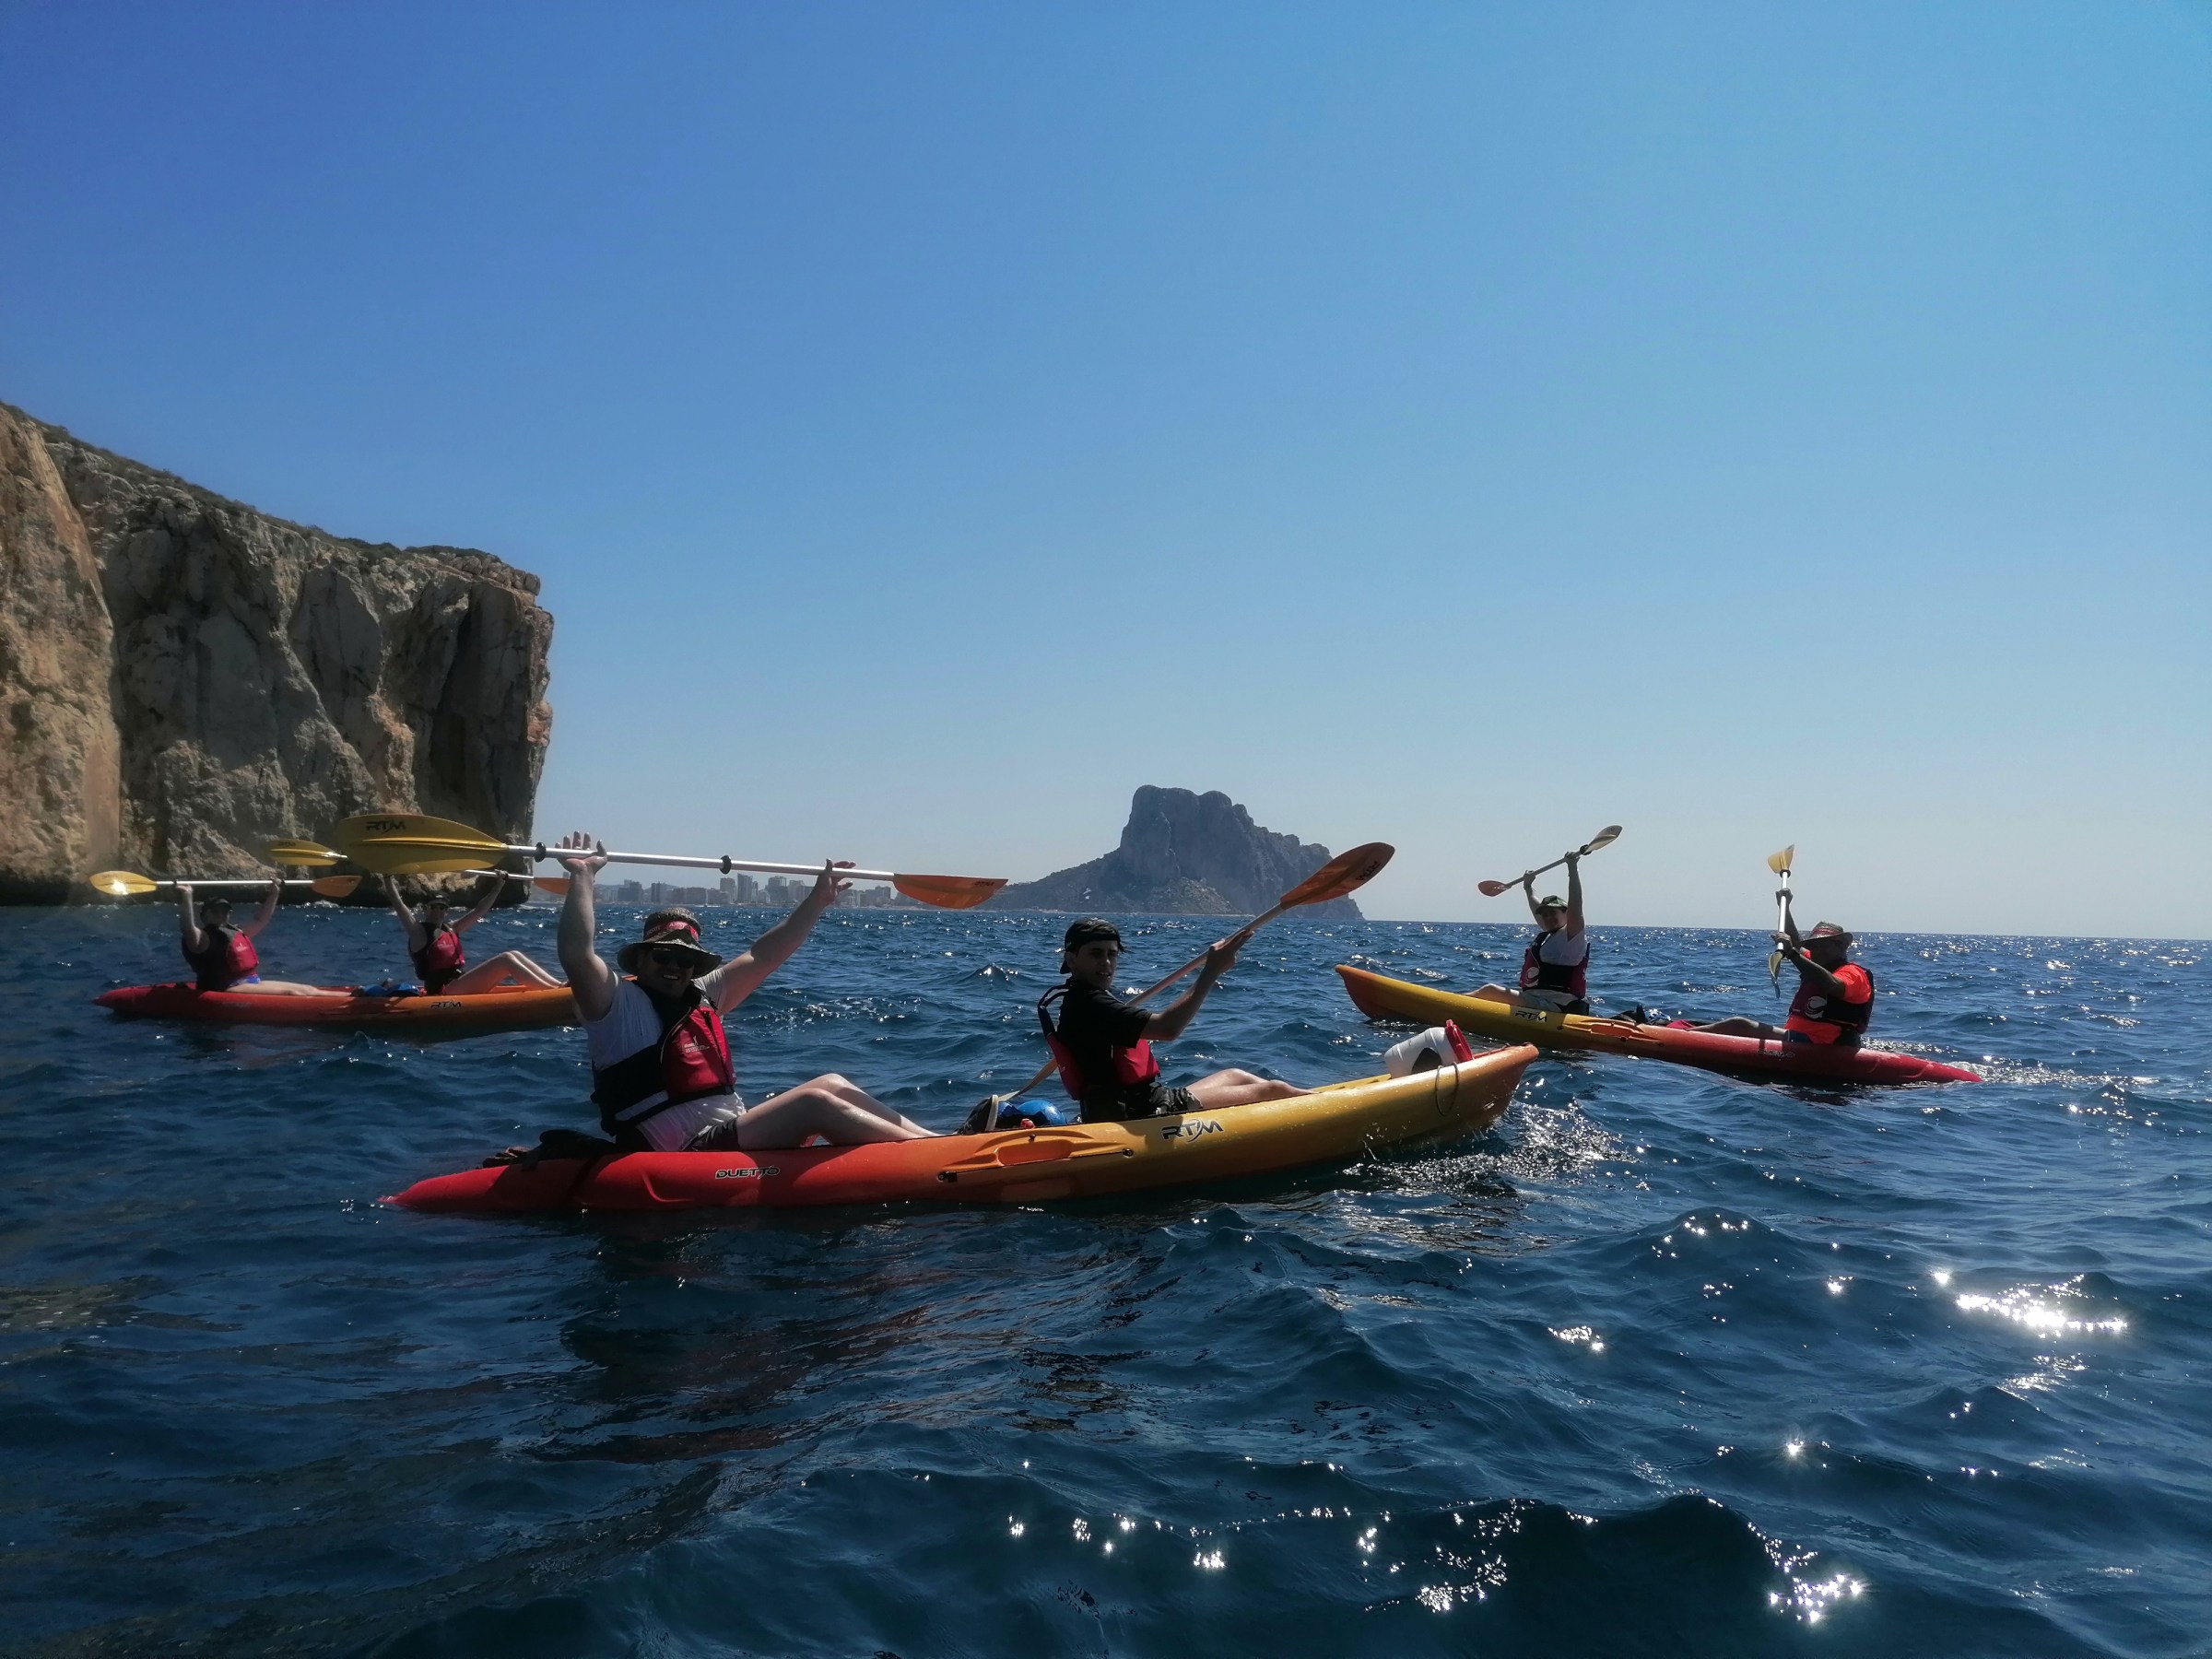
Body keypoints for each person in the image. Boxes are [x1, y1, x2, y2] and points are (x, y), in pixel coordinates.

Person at [552, 832, 932, 1151]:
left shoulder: (703, 995)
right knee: (813, 1103)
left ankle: (937, 1142)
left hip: (729, 1132)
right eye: (664, 955)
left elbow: (763, 955)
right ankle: (932, 1156)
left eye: (685, 960)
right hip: (680, 1148)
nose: (675, 967)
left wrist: (816, 903)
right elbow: (576, 953)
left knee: (832, 1083)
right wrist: (583, 876)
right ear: (641, 959)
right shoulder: (613, 1004)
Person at [1039, 918, 1307, 1124]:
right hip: (1140, 1112)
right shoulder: (1092, 1003)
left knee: (1235, 1075)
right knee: (1274, 1089)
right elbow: (1168, 1029)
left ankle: (1313, 1107)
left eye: (1112, 954)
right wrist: (1211, 971)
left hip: (1135, 1102)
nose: (1107, 962)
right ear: (1071, 959)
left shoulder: (1079, 998)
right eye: (1096, 954)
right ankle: (1336, 1109)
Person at [1691, 906, 1873, 1046]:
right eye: (1814, 945)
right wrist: (1784, 906)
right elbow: (1794, 942)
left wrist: (1793, 955)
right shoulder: (1816, 961)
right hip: (1798, 1039)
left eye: (1824, 945)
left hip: (1823, 1045)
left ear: (1841, 946)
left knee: (1739, 1025)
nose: (1817, 950)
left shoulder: (1853, 973)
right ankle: (1677, 1029)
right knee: (1698, 1022)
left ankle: (1675, 1038)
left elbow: (1833, 985)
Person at [384, 874, 563, 994]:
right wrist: (387, 879)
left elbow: (480, 910)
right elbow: (399, 905)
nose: (437, 911)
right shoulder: (418, 932)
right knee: (506, 960)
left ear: (446, 911)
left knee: (515, 954)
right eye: (433, 907)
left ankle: (559, 986)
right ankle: (552, 992)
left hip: (459, 983)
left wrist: (499, 884)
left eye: (442, 908)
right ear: (426, 908)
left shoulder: (452, 928)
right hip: (443, 991)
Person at [1473, 851, 1589, 1014]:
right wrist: (1528, 887)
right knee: (1490, 994)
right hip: (1537, 1003)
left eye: (1553, 913)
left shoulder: (1572, 937)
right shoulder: (1549, 936)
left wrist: (1572, 868)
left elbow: (1576, 906)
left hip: (1555, 1009)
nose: (1548, 918)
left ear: (1566, 913)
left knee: (1490, 991)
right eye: (1545, 914)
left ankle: (1446, 1006)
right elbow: (1537, 909)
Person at [175, 881, 325, 996]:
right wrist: (187, 897)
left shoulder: (233, 933)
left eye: (225, 911)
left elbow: (261, 920)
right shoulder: (201, 939)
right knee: (291, 994)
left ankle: (348, 998)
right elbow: (187, 928)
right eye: (215, 911)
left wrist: (274, 894)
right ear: (204, 915)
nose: (221, 914)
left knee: (309, 989)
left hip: (251, 982)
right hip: (226, 988)